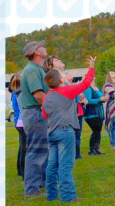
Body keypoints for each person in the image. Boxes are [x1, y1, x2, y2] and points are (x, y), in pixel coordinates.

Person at [41, 56, 95, 203]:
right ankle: (69, 197)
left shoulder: (46, 97)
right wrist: (91, 67)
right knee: (65, 166)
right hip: (65, 132)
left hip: (51, 133)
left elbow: (45, 114)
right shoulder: (67, 91)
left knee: (52, 165)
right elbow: (86, 83)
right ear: (60, 81)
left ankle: (51, 195)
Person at [19, 40, 50, 199]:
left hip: (37, 113)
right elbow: (38, 95)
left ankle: (39, 184)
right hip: (35, 114)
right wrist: (54, 108)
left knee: (42, 151)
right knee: (35, 152)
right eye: (42, 47)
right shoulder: (32, 70)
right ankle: (31, 190)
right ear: (36, 52)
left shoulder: (37, 69)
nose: (45, 49)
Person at [83, 79, 107, 155]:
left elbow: (101, 97)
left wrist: (103, 99)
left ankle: (96, 149)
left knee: (98, 131)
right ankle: (92, 150)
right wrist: (99, 99)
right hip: (91, 113)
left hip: (99, 112)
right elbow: (88, 100)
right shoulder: (87, 88)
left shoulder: (97, 88)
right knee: (96, 131)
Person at [9, 73, 26, 179]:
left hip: (18, 122)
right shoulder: (20, 93)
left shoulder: (14, 93)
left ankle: (20, 170)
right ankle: (23, 172)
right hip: (22, 121)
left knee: (22, 147)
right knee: (24, 148)